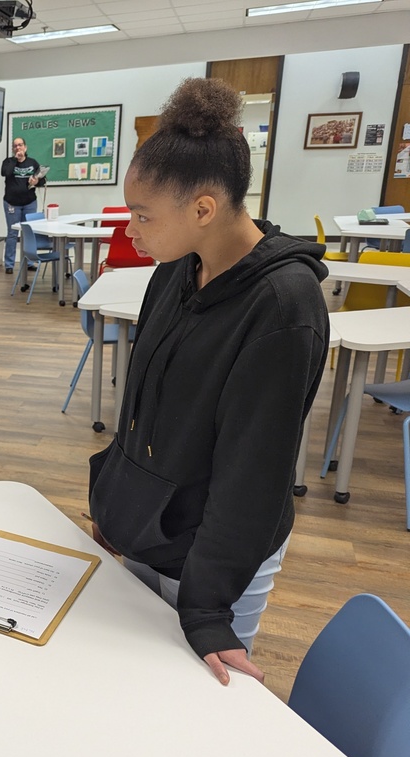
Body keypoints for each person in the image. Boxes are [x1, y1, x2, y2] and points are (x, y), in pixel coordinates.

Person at [87, 78, 329, 686]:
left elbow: (255, 470)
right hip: (151, 527)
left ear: (202, 208)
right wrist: (116, 507)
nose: (131, 231)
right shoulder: (177, 269)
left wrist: (207, 610)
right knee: (127, 682)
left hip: (217, 555)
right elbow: (141, 404)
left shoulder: (282, 305)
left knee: (187, 705)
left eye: (142, 216)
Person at [0, 137, 45, 274]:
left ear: (25, 147)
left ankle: (29, 262)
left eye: (20, 145)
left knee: (28, 233)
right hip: (12, 203)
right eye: (15, 146)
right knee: (12, 233)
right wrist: (15, 160)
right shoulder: (8, 162)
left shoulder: (33, 163)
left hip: (29, 202)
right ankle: (9, 264)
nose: (18, 148)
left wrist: (36, 181)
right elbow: (5, 173)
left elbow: (42, 181)